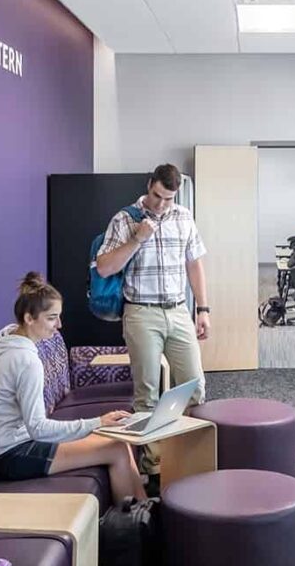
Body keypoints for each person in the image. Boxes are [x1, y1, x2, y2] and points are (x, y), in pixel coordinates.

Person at [0, 272, 147, 502]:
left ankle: (143, 512)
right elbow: (38, 428)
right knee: (116, 448)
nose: (59, 325)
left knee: (119, 443)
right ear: (29, 318)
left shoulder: (3, 337)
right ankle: (134, 528)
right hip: (15, 455)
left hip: (17, 445)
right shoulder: (27, 361)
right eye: (51, 318)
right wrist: (98, 422)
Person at [94, 163, 209, 476]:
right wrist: (137, 239)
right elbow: (104, 268)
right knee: (147, 395)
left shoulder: (184, 217)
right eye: (157, 195)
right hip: (141, 312)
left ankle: (187, 458)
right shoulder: (124, 219)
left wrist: (203, 308)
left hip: (179, 310)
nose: (161, 204)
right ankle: (154, 469)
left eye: (168, 198)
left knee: (194, 387)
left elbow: (194, 264)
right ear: (149, 185)